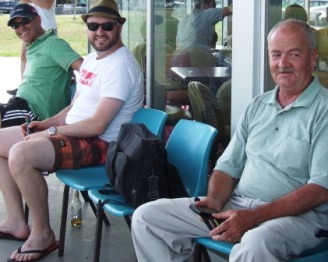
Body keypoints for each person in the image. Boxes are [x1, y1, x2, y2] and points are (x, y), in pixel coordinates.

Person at [132, 19, 328, 262]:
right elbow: (228, 165)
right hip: (237, 205)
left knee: (256, 244)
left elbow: (320, 190)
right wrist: (215, 200)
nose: (283, 63)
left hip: (299, 219)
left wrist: (254, 217)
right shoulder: (259, 105)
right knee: (148, 217)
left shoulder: (324, 110)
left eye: (294, 54)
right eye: (276, 54)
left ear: (312, 57)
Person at [0, 0, 144, 260]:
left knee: (22, 154)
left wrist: (51, 131)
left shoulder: (120, 66)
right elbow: (74, 107)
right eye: (93, 26)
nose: (99, 32)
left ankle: (42, 235)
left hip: (101, 144)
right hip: (75, 132)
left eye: (107, 25)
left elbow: (98, 125)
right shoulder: (92, 60)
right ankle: (16, 221)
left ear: (119, 27)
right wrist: (46, 123)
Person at [0, 3, 83, 128]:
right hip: (19, 105)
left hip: (34, 115)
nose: (20, 27)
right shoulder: (34, 46)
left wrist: (79, 99)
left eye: (25, 21)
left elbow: (86, 69)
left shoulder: (53, 44)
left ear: (38, 19)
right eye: (15, 25)